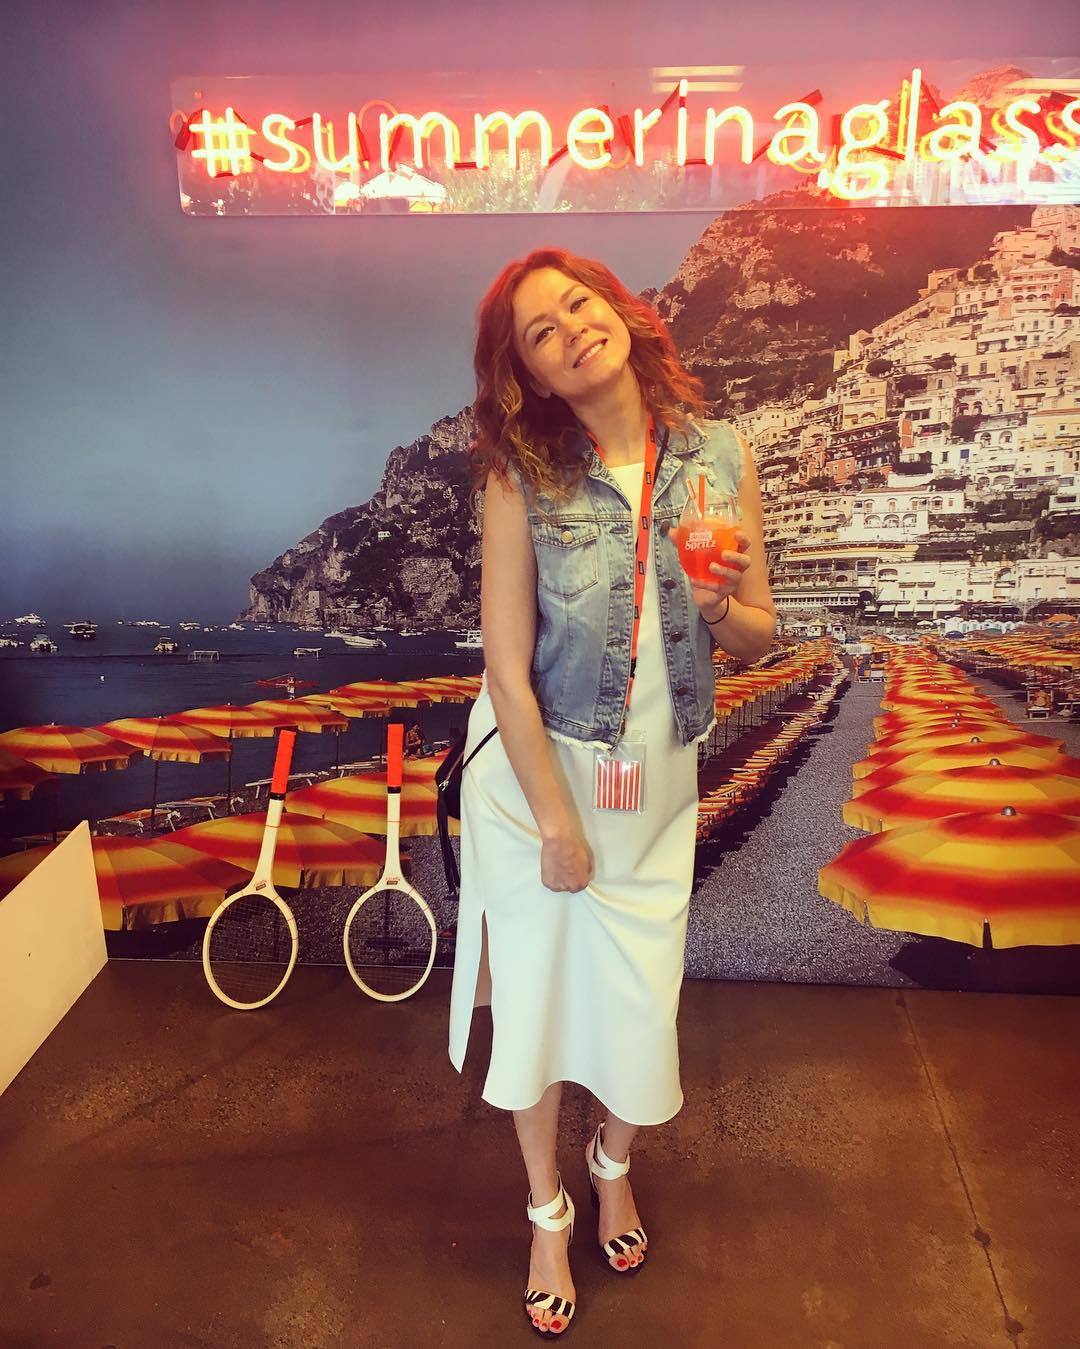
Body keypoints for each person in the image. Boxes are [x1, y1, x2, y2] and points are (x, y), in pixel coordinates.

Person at [447, 247, 777, 1337]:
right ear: (530, 375)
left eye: (577, 305)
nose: (570, 332)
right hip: (537, 776)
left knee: (641, 998)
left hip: (653, 777)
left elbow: (758, 635)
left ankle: (612, 1161)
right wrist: (554, 824)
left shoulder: (722, 453)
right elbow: (506, 669)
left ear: (623, 313)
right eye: (539, 333)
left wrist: (716, 603)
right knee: (537, 1005)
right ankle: (548, 1210)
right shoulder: (521, 478)